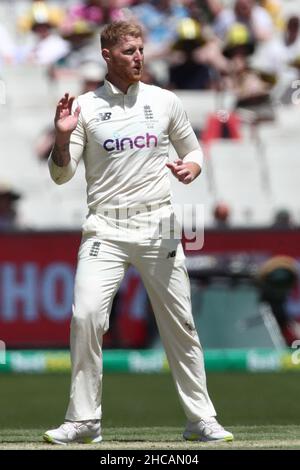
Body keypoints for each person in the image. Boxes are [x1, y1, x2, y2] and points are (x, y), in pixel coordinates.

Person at [43, 20, 233, 445]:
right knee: (86, 316)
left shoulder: (165, 101)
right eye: (129, 51)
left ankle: (201, 420)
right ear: (107, 55)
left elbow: (193, 148)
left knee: (180, 322)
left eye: (141, 49)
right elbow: (61, 176)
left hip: (158, 223)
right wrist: (61, 138)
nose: (138, 57)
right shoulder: (86, 109)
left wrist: (193, 168)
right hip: (105, 226)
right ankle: (84, 421)